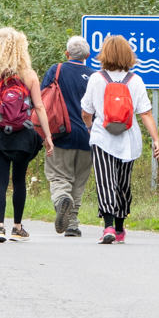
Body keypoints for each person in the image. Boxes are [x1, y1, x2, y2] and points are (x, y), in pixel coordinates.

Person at [0, 28, 55, 242]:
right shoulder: (29, 75)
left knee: (0, 181)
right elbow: (39, 107)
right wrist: (47, 137)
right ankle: (17, 228)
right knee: (19, 180)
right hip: (23, 135)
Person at [81, 34, 159, 244]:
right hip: (129, 139)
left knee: (105, 182)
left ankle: (107, 226)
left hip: (102, 137)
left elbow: (86, 111)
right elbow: (145, 113)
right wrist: (156, 139)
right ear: (129, 55)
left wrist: (90, 128)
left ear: (104, 55)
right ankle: (119, 228)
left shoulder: (96, 79)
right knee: (122, 184)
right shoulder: (136, 81)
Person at [43, 36, 95, 238]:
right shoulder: (94, 76)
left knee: (58, 176)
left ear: (67, 54)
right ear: (88, 56)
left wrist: (44, 133)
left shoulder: (56, 71)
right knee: (79, 181)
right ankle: (72, 222)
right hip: (88, 136)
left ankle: (62, 199)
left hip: (60, 133)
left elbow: (42, 101)